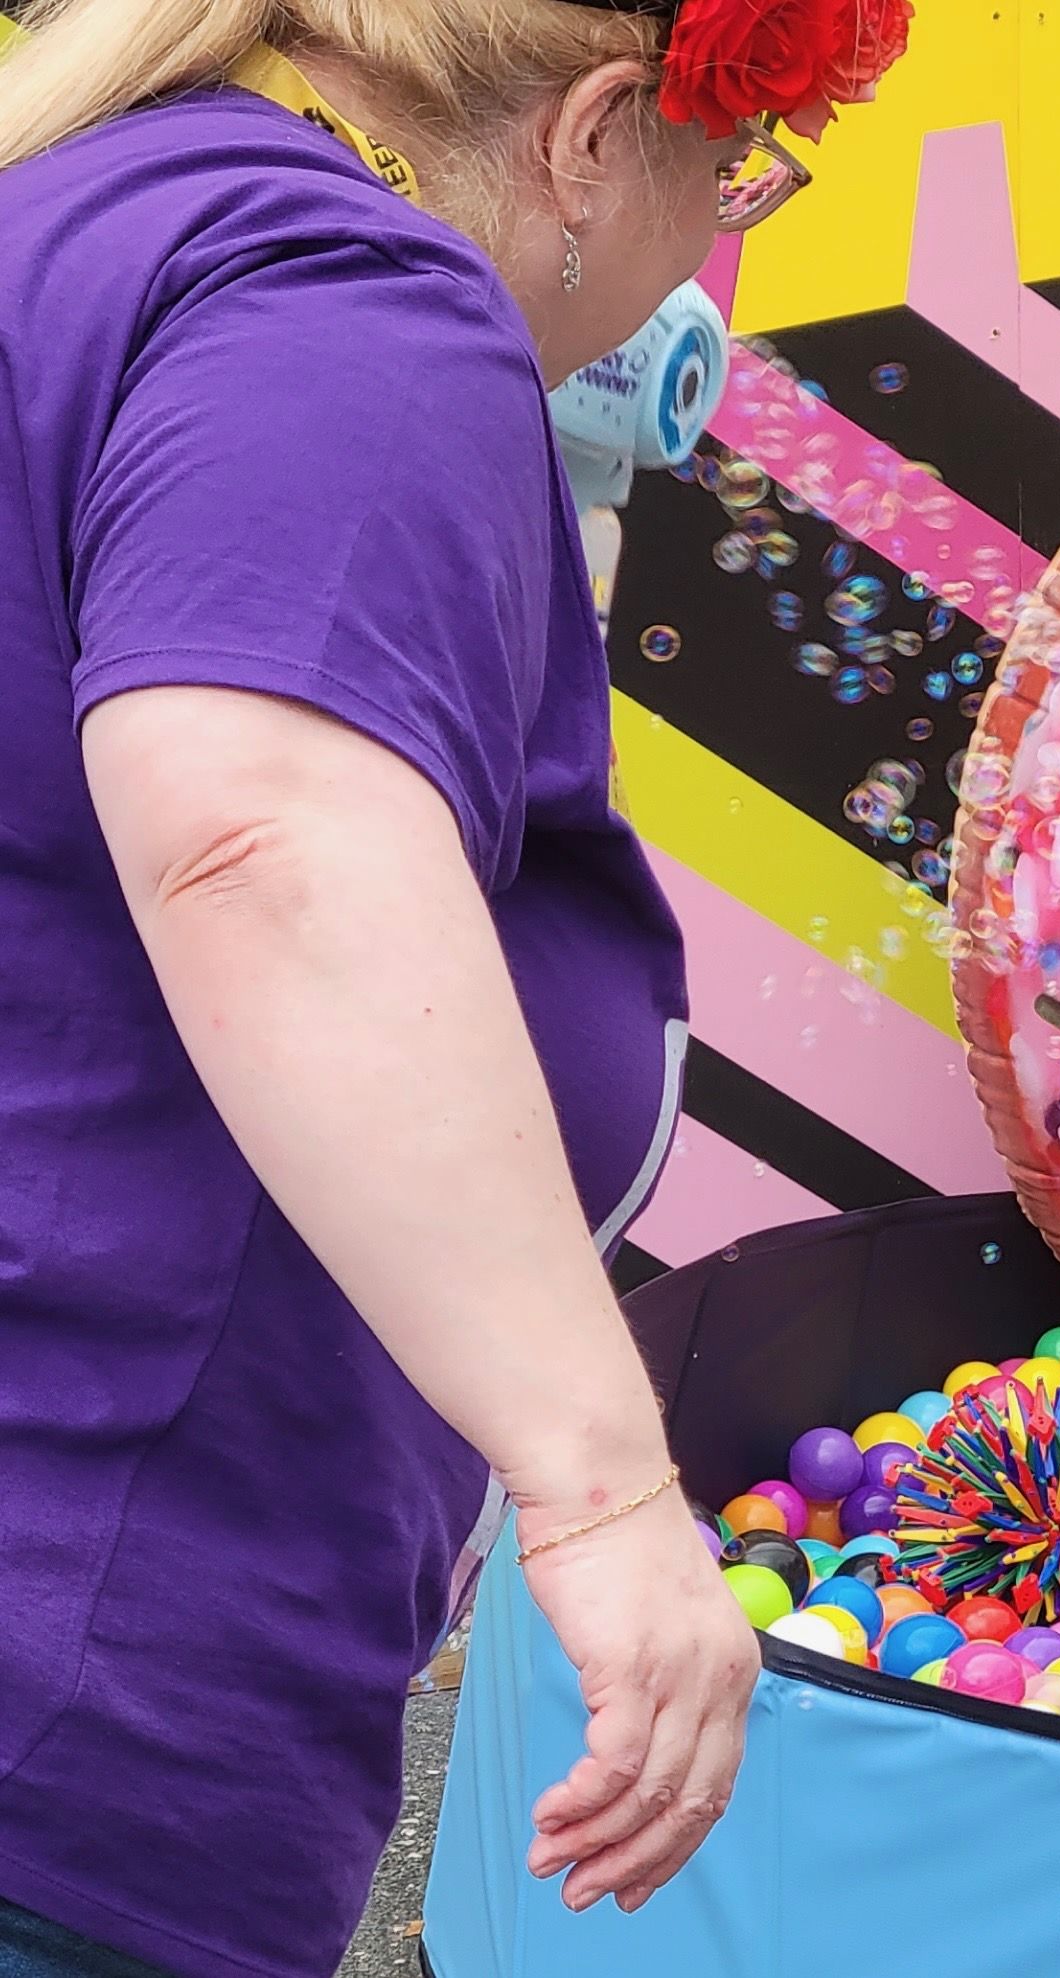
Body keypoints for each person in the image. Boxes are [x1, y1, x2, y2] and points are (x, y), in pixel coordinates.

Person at [0, 1, 904, 1970]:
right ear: (591, 137)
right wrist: (598, 1489)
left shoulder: (75, 224)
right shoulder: (349, 303)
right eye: (741, 178)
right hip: (62, 1686)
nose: (715, 249)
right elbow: (262, 838)